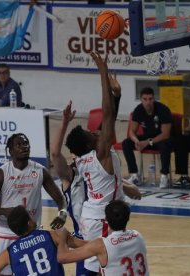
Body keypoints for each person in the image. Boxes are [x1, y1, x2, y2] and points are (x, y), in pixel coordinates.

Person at [51, 100, 142, 276]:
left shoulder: (97, 172)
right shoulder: (71, 176)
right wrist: (64, 122)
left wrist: (128, 188)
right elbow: (55, 153)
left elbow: (129, 188)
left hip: (102, 232)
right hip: (83, 237)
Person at [63, 52, 126, 275]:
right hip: (101, 218)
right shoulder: (100, 154)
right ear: (90, 144)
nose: (94, 131)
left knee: (98, 263)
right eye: (91, 133)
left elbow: (108, 120)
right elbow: (108, 116)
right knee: (104, 267)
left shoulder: (88, 156)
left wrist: (116, 95)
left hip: (95, 215)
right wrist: (102, 70)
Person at [0, 133, 67, 276]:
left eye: (26, 143)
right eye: (19, 145)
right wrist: (4, 211)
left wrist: (62, 214)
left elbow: (60, 199)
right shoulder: (1, 174)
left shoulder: (40, 171)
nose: (24, 147)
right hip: (5, 232)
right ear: (10, 151)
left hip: (31, 231)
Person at [0, 205, 86, 276]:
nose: (32, 216)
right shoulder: (51, 235)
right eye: (30, 216)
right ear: (28, 223)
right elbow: (83, 245)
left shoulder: (8, 253)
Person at [57, 200, 149, 276]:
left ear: (105, 219)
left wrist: (63, 233)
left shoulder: (101, 245)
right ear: (128, 218)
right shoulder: (138, 236)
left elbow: (62, 257)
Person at [122, 87, 173, 188]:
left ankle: (164, 176)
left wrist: (147, 142)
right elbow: (132, 131)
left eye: (150, 99)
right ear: (141, 99)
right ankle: (134, 175)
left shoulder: (163, 110)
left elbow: (165, 134)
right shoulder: (138, 110)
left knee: (164, 145)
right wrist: (136, 141)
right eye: (145, 99)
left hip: (161, 139)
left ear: (154, 99)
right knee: (126, 143)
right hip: (147, 138)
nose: (148, 102)